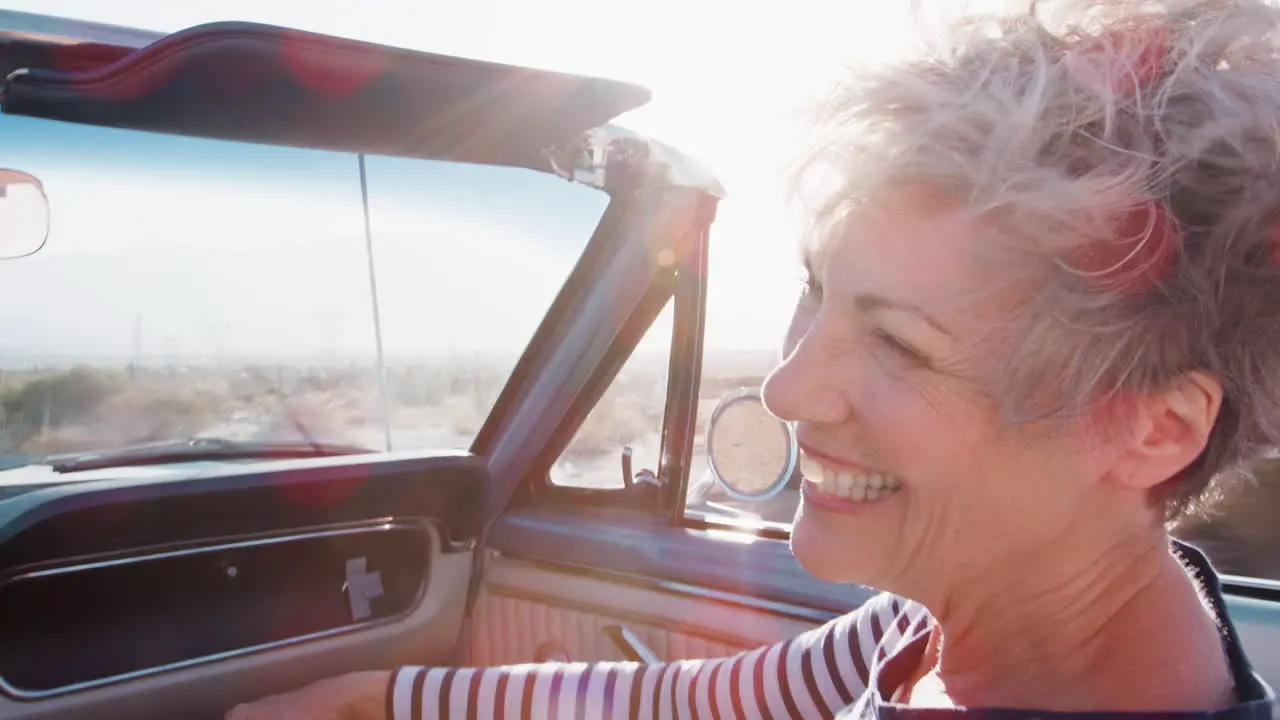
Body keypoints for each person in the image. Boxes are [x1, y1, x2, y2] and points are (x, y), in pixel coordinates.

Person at [227, 0, 1280, 717]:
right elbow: (692, 698)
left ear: (1154, 428)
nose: (786, 388)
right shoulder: (935, 630)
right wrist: (378, 699)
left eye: (898, 344)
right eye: (814, 292)